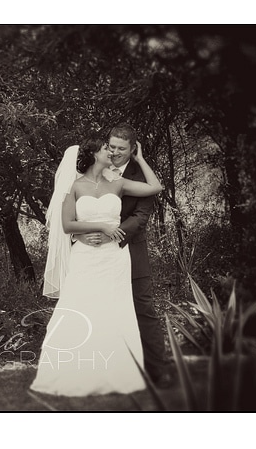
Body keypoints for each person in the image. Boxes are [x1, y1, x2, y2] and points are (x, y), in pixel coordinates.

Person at [30, 136, 162, 397]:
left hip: (115, 258)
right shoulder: (75, 186)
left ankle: (116, 372)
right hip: (85, 257)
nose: (110, 152)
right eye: (105, 148)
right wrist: (100, 226)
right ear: (93, 155)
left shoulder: (118, 183)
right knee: (81, 307)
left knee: (115, 310)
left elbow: (155, 187)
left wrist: (140, 159)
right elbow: (67, 224)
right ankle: (77, 370)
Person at [74, 123, 173, 388]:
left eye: (122, 149)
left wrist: (113, 234)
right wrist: (80, 236)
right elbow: (75, 212)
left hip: (131, 250)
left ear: (132, 149)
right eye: (112, 147)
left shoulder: (141, 176)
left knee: (143, 309)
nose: (115, 153)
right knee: (100, 310)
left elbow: (141, 217)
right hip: (95, 254)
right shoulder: (95, 170)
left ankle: (157, 371)